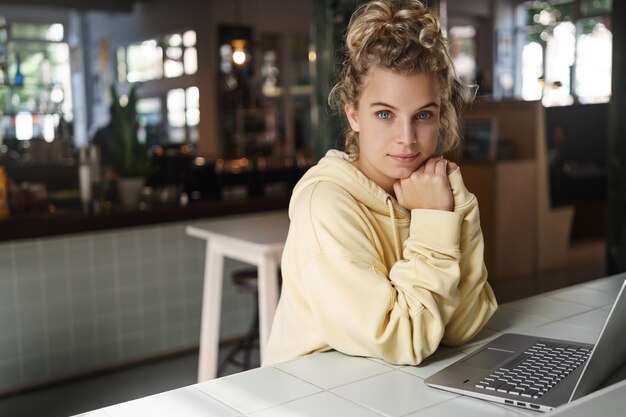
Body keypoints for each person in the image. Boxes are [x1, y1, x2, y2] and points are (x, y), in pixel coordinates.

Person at [264, 0, 497, 366]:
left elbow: (463, 327)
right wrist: (434, 221)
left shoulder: (435, 190)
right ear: (353, 113)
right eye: (385, 114)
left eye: (423, 115)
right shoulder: (325, 206)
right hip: (312, 396)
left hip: (388, 387)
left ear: (441, 115)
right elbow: (405, 340)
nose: (407, 138)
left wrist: (453, 210)